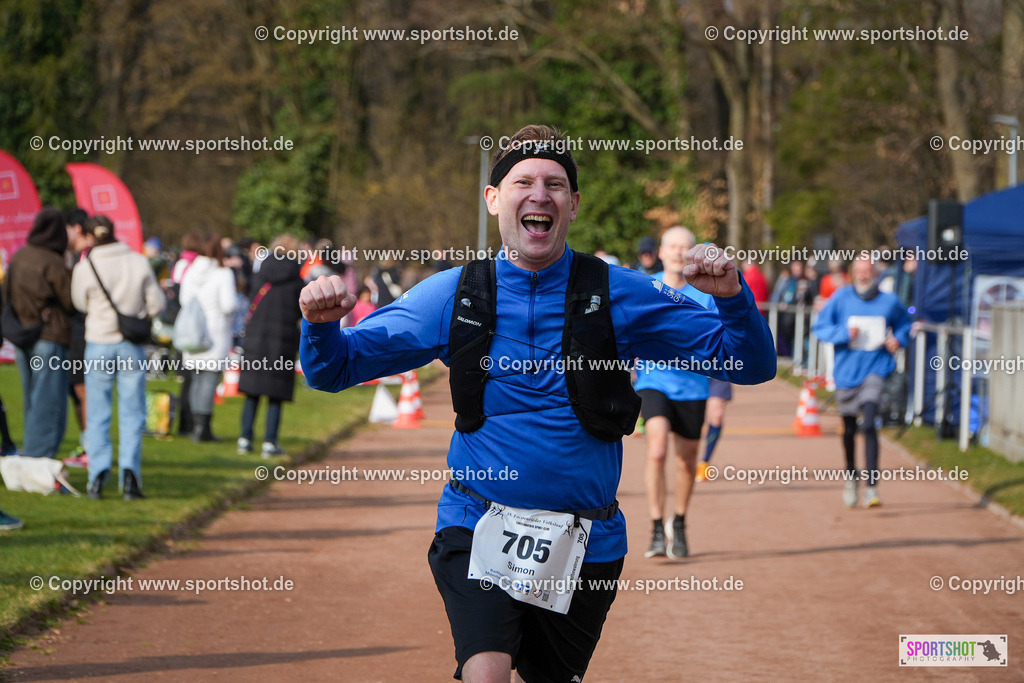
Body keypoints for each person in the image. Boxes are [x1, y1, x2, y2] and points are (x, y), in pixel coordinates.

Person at [298, 124, 776, 682]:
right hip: (477, 523)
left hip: (586, 541)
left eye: (554, 184)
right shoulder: (455, 293)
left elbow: (749, 364)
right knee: (486, 671)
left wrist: (732, 298)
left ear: (573, 204)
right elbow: (335, 370)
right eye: (523, 182)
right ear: (493, 198)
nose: (539, 195)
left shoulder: (620, 291)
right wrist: (320, 326)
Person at [633, 227, 715, 558]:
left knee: (686, 460)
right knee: (656, 449)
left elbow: (719, 339)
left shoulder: (706, 293)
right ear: (662, 252)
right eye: (673, 246)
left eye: (685, 247)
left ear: (692, 254)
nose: (679, 252)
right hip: (653, 381)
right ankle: (656, 528)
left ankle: (678, 522)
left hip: (693, 386)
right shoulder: (646, 287)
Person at [71, 216, 165, 500]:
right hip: (130, 345)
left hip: (99, 342)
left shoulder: (86, 265)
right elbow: (157, 304)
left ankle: (97, 476)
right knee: (132, 413)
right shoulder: (137, 261)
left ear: (90, 236)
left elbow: (78, 303)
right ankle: (130, 476)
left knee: (97, 412)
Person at [812, 256, 911, 508]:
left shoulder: (889, 301)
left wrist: (898, 340)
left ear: (876, 274)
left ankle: (872, 487)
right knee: (849, 429)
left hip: (875, 369)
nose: (863, 276)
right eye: (859, 271)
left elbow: (905, 325)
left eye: (868, 271)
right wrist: (844, 334)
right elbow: (820, 328)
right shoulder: (841, 298)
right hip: (846, 372)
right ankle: (851, 477)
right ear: (853, 273)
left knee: (868, 423)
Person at [6, 207, 75, 460]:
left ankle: (31, 452)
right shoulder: (53, 261)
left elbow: (6, 294)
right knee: (48, 401)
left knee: (31, 400)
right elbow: (70, 301)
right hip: (50, 336)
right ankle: (38, 457)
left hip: (22, 336)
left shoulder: (19, 256)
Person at [236, 235, 304, 458]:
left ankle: (245, 438)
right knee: (276, 393)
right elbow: (301, 310)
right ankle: (269, 441)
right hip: (282, 340)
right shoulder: (296, 280)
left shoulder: (260, 274)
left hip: (256, 337)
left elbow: (250, 298)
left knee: (252, 391)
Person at [179, 234, 238, 442]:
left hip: (193, 332)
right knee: (209, 381)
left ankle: (194, 425)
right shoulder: (223, 273)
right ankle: (202, 428)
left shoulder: (190, 271)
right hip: (214, 333)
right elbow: (229, 305)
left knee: (196, 380)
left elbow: (183, 299)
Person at [64, 207, 92, 466]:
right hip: (78, 329)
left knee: (83, 388)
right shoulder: (76, 256)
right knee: (77, 389)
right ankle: (87, 445)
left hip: (85, 330)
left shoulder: (87, 256)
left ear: (77, 229)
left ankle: (90, 450)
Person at [695, 378, 731, 483]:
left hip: (718, 372)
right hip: (692, 374)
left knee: (717, 416)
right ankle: (687, 461)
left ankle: (704, 462)